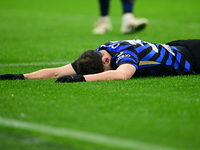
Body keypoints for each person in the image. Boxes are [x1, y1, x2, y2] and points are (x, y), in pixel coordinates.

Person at [0, 39, 200, 83]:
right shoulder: (99, 51)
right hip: (179, 47)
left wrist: (83, 79)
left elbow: (123, 75)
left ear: (106, 59)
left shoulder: (126, 55)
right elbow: (57, 72)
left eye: (106, 68)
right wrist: (23, 76)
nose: (109, 69)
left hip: (194, 58)